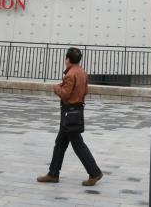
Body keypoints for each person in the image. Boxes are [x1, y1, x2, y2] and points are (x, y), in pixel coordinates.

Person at [37, 47, 103, 186]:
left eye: (65, 58)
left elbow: (65, 94)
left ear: (67, 59)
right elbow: (85, 91)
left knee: (78, 144)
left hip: (69, 113)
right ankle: (53, 174)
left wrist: (56, 88)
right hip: (77, 111)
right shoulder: (82, 72)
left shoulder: (70, 74)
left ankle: (95, 172)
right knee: (60, 144)